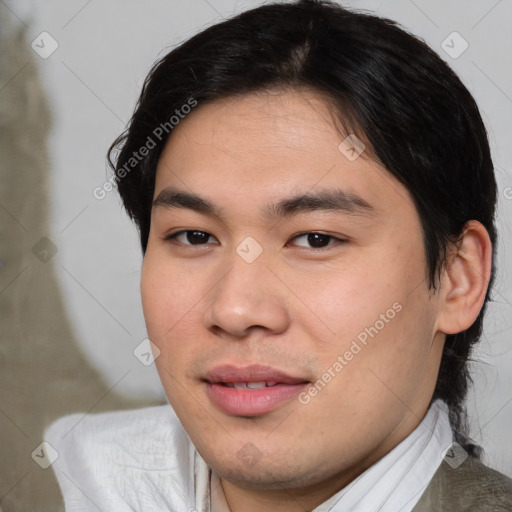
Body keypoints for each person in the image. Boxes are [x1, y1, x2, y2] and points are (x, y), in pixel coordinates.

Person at [45, 1, 512, 510]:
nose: (235, 311)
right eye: (194, 237)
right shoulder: (78, 485)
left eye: (315, 239)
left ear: (457, 279)